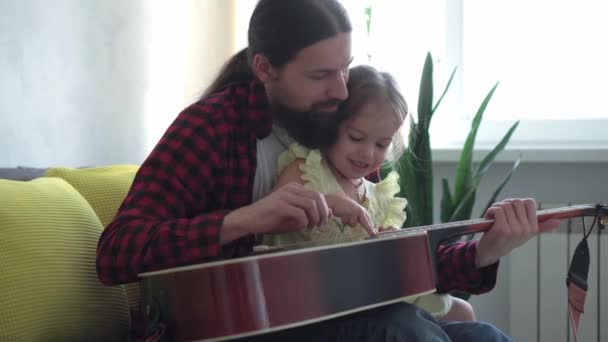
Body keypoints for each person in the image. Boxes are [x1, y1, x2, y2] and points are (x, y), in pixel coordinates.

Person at [96, 0, 560, 340]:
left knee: (485, 337)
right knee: (403, 332)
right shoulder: (211, 129)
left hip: (336, 315)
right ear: (264, 68)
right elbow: (116, 253)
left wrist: (486, 248)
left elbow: (380, 255)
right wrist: (248, 219)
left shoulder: (334, 126)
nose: (341, 89)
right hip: (234, 326)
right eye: (321, 75)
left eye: (346, 69)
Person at [262, 64, 475, 322]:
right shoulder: (307, 170)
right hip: (314, 302)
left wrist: (393, 248)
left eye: (381, 144)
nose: (367, 153)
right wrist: (327, 204)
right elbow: (269, 222)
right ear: (332, 125)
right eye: (355, 137)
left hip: (372, 298)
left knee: (463, 312)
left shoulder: (380, 197)